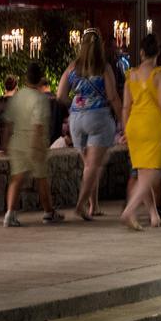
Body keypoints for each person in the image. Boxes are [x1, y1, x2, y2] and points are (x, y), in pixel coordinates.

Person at [58, 29, 122, 221]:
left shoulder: (72, 67)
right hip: (99, 118)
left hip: (76, 121)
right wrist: (123, 121)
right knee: (93, 166)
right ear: (100, 46)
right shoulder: (104, 68)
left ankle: (93, 205)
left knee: (90, 165)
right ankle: (80, 205)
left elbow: (60, 95)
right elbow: (113, 97)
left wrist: (77, 105)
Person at [120, 34, 161, 230]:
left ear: (141, 52)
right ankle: (130, 210)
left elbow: (125, 107)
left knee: (142, 172)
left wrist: (125, 130)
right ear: (158, 52)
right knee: (153, 173)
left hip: (134, 125)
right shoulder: (160, 73)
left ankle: (153, 215)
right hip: (151, 125)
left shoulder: (131, 74)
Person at [2, 62, 63, 228]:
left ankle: (10, 214)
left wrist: (5, 142)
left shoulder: (18, 96)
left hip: (17, 142)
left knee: (16, 179)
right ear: (40, 78)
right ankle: (48, 212)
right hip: (34, 143)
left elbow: (8, 122)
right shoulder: (40, 99)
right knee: (41, 179)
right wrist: (36, 147)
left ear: (25, 78)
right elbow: (38, 124)